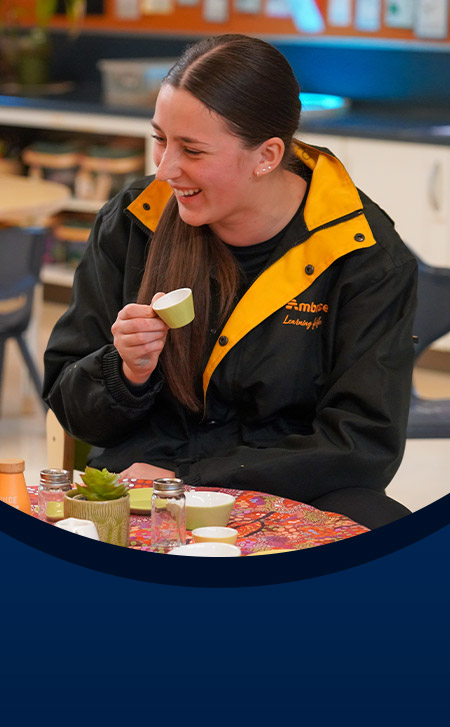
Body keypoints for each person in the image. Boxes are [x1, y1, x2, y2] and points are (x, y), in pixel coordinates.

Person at [43, 34, 418, 529]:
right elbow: (74, 410)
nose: (166, 169)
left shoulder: (364, 254)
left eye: (193, 150)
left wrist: (192, 480)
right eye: (160, 139)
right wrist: (126, 371)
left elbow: (362, 446)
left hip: (294, 487)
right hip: (145, 479)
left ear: (267, 155)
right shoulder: (133, 221)